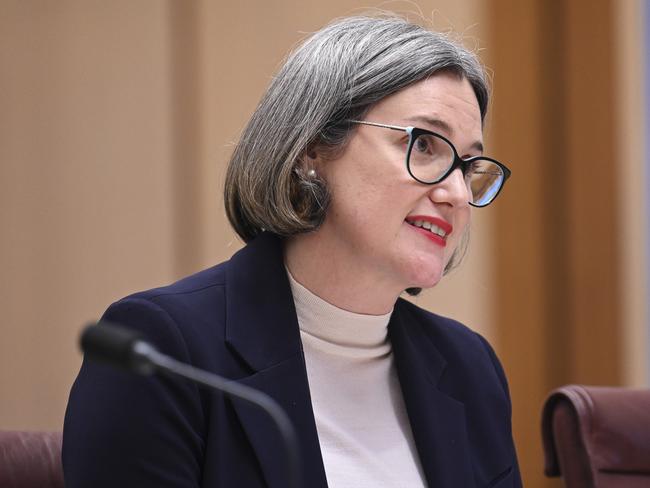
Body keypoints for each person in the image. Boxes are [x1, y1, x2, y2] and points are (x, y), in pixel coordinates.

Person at [63, 14, 522, 488]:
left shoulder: (469, 368)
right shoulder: (166, 352)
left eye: (468, 166)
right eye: (424, 144)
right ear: (312, 149)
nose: (457, 194)